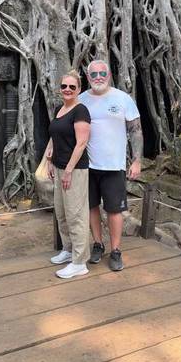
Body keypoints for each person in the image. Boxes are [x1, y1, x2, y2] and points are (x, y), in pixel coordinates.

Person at [82, 59, 142, 272]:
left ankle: (116, 250)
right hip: (86, 166)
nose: (98, 77)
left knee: (114, 210)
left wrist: (136, 160)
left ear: (108, 75)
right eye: (93, 74)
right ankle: (98, 244)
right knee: (91, 207)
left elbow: (135, 130)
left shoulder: (122, 98)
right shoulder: (81, 100)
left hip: (114, 166)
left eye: (102, 73)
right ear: (88, 77)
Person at [45, 69, 91, 279]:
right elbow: (54, 136)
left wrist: (69, 171)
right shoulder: (59, 109)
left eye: (72, 87)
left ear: (79, 90)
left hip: (75, 170)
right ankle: (68, 249)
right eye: (64, 86)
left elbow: (81, 143)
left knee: (76, 215)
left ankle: (80, 261)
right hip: (60, 167)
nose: (67, 90)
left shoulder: (80, 111)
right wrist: (50, 159)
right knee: (61, 212)